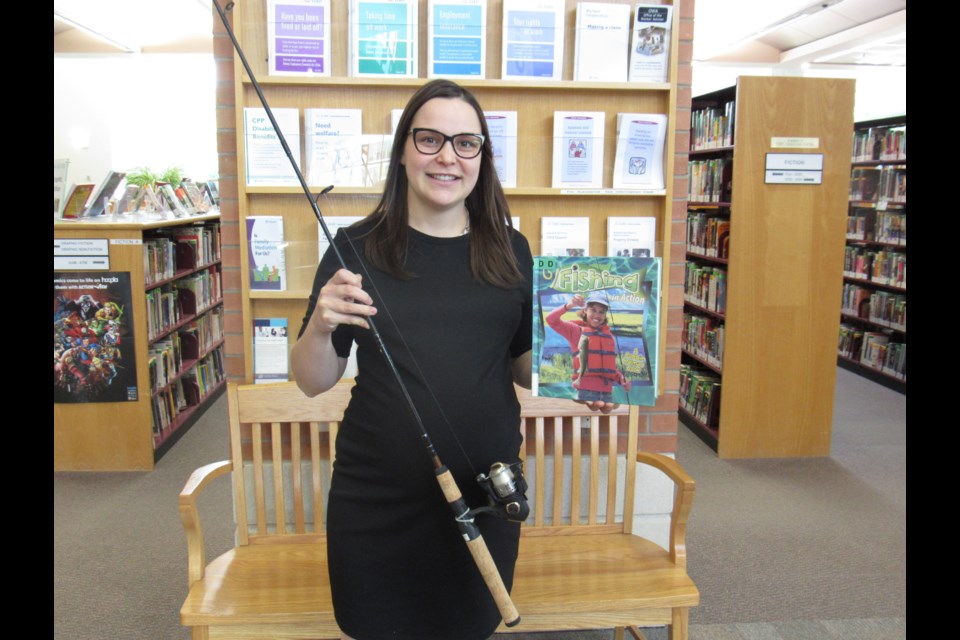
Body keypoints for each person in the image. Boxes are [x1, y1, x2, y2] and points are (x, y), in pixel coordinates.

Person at [290, 79, 531, 640]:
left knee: (470, 627)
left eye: (466, 143)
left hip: (484, 492)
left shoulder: (510, 247)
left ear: (482, 158)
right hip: (376, 500)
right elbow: (311, 381)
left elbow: (524, 362)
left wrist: (585, 377)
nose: (448, 156)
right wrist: (321, 326)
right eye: (430, 139)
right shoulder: (355, 246)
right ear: (403, 150)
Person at [545, 292, 631, 404]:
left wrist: (621, 378)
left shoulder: (608, 336)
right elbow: (551, 319)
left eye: (601, 312)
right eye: (593, 310)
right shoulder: (576, 330)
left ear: (605, 315)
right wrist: (569, 305)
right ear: (585, 310)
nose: (597, 315)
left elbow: (608, 366)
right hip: (586, 391)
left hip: (607, 393)